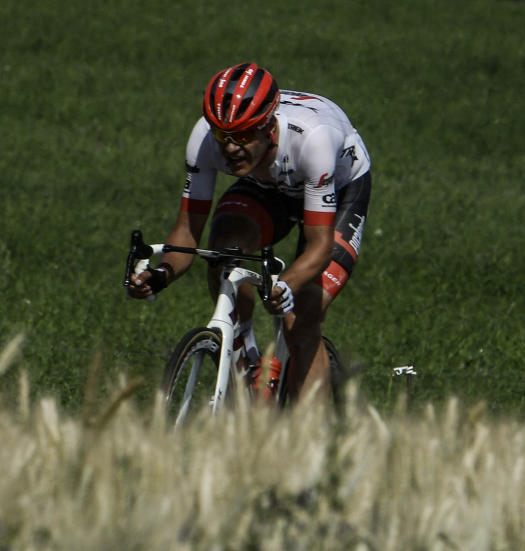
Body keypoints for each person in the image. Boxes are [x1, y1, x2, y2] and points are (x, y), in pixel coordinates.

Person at [127, 62, 371, 399]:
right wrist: (160, 276)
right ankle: (248, 366)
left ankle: (306, 439)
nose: (229, 148)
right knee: (223, 248)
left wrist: (286, 287)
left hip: (338, 189)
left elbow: (319, 247)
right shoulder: (204, 138)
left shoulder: (313, 140)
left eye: (241, 136)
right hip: (268, 181)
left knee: (302, 312)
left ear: (268, 127)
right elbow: (187, 232)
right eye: (222, 136)